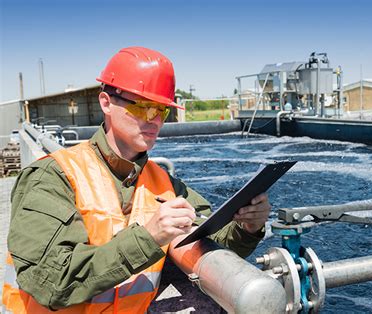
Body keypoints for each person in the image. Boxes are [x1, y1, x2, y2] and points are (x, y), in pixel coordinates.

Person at [2, 47, 271, 313]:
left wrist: (247, 227)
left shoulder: (164, 182)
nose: (154, 120)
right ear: (106, 102)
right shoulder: (52, 177)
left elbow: (211, 242)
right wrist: (150, 237)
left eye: (162, 111)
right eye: (144, 107)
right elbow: (50, 282)